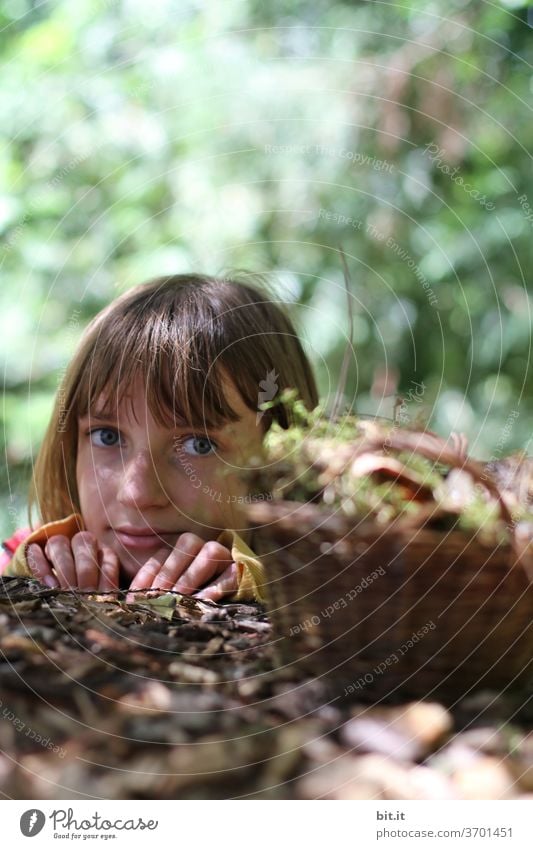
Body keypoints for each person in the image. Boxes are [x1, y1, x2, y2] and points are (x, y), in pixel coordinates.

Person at [0, 273, 318, 603]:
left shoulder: (346, 586)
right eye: (107, 436)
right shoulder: (24, 558)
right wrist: (23, 579)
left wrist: (266, 589)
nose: (136, 493)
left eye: (199, 444)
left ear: (280, 461)